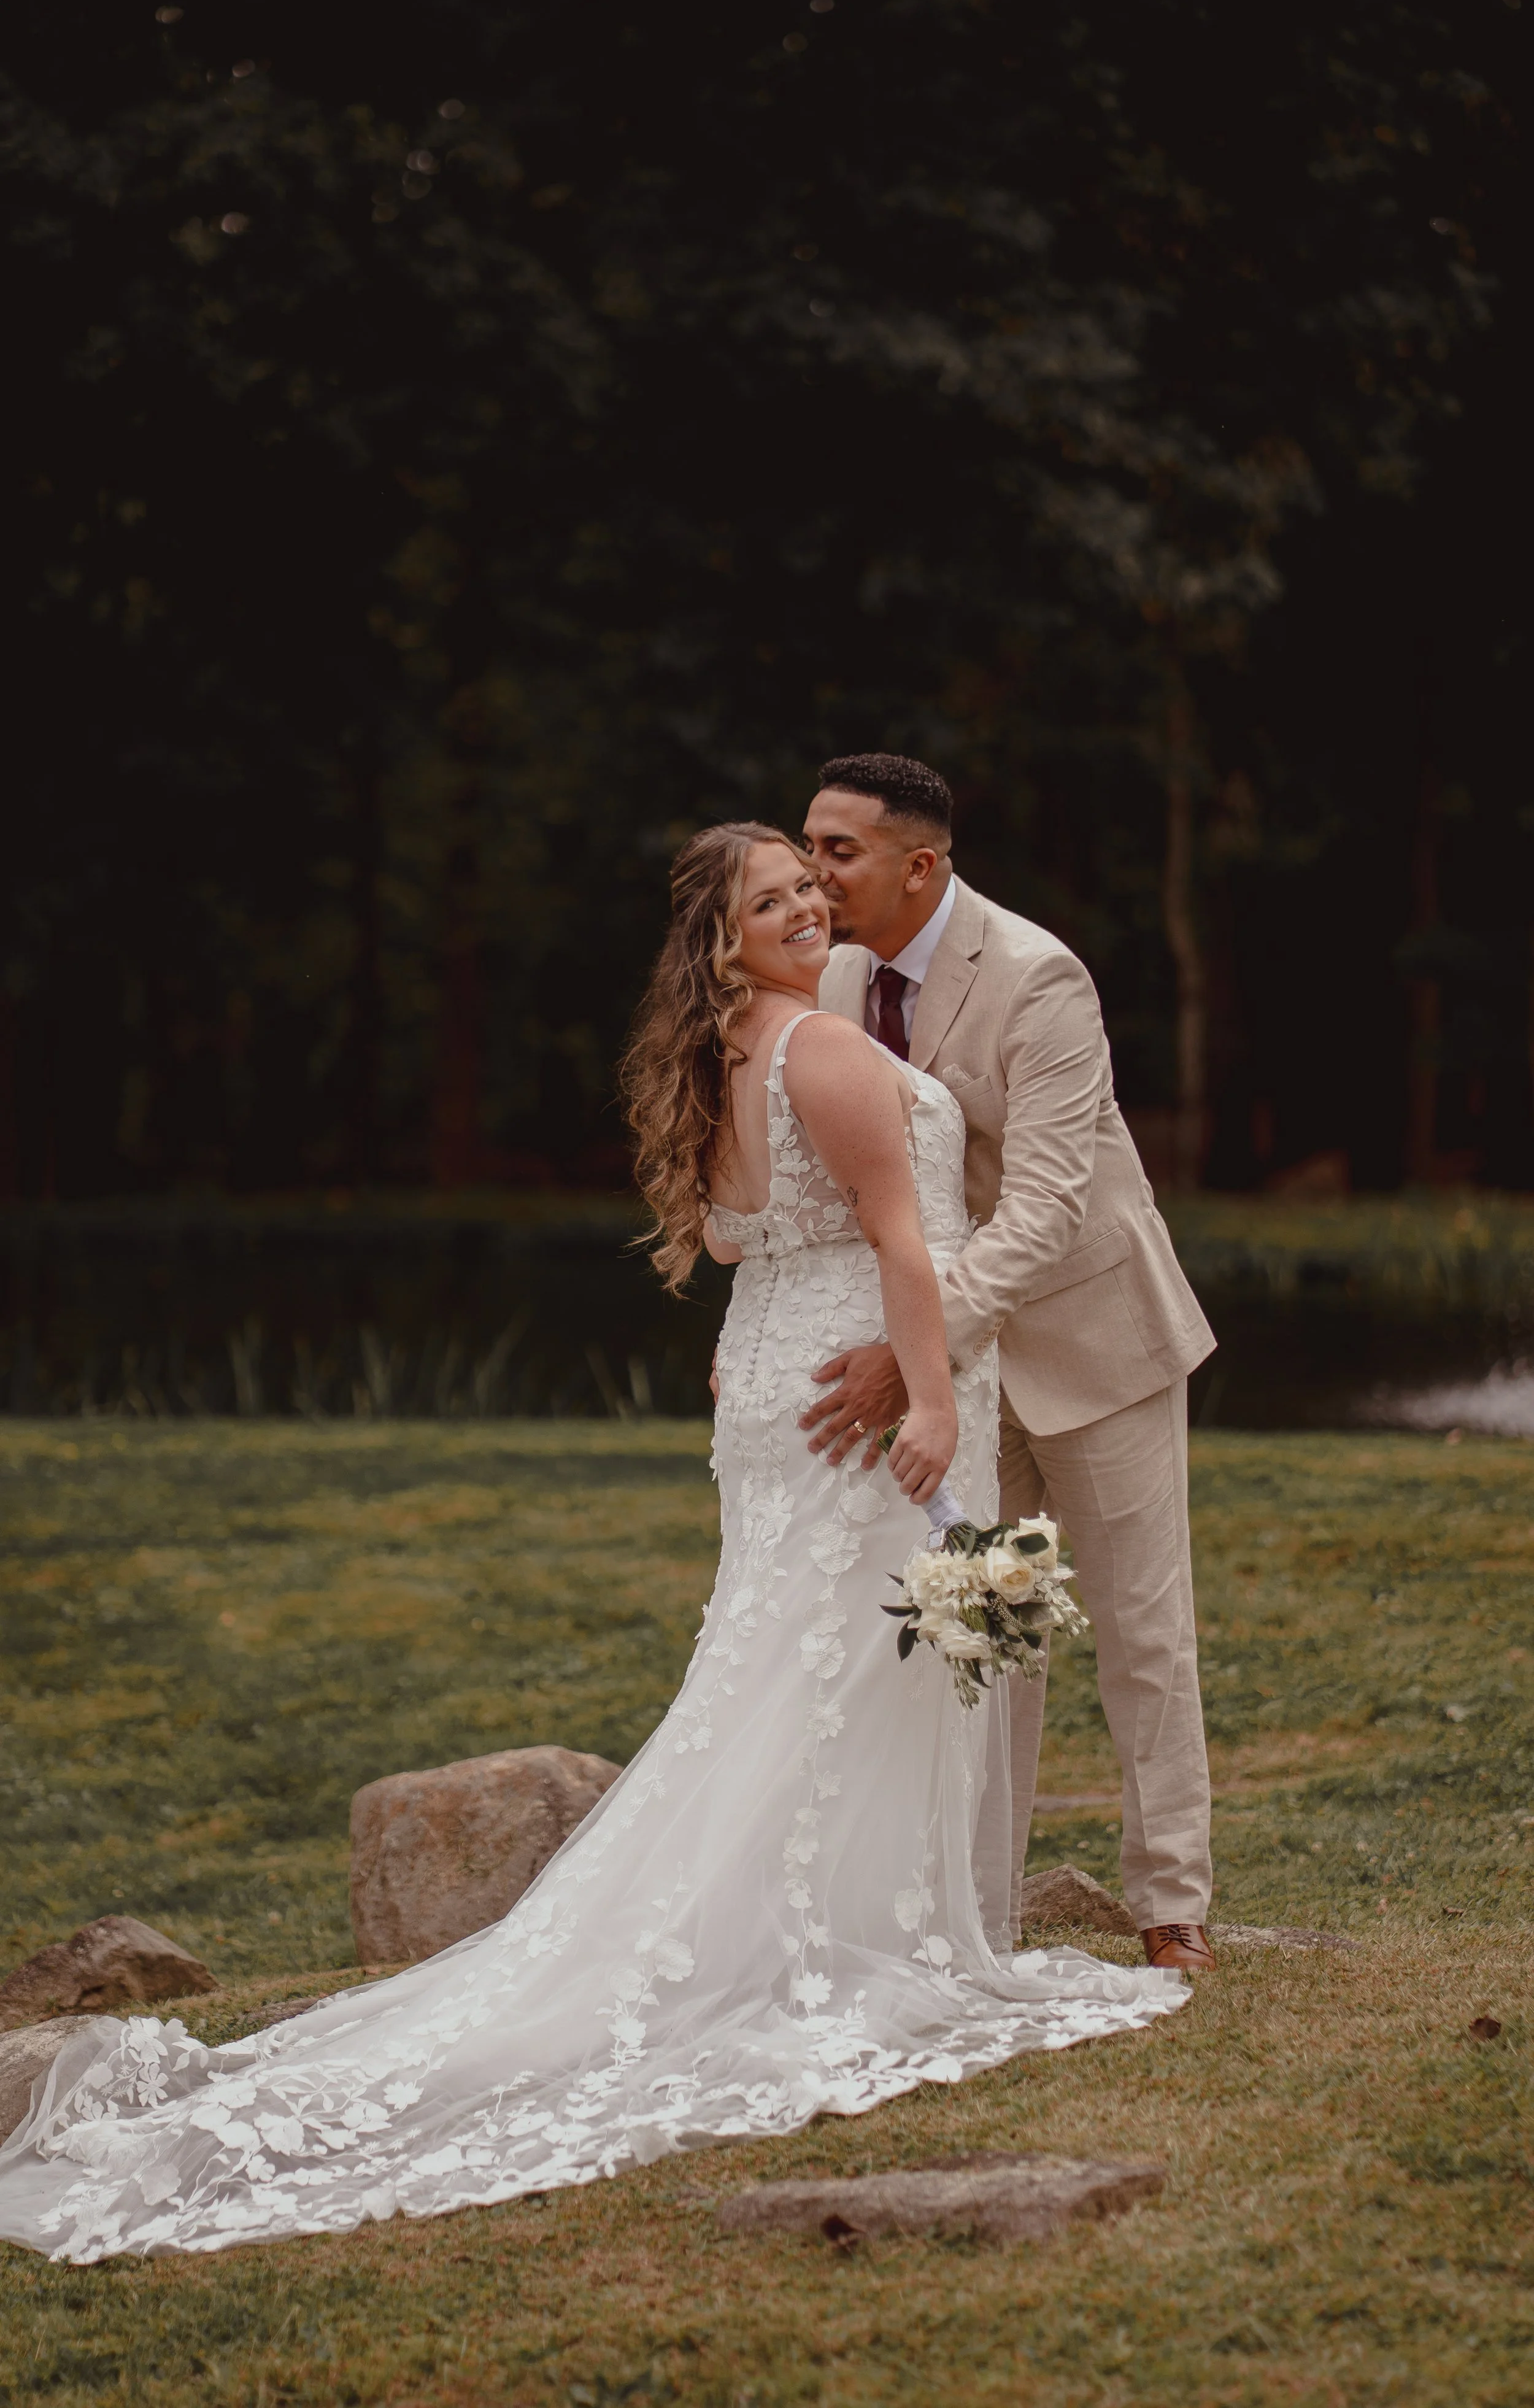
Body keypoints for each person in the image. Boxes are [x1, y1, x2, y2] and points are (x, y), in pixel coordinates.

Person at [0, 822, 1182, 2266]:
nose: (809, 901)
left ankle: (853, 1920)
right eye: (774, 895)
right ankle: (843, 1946)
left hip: (779, 1374)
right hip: (857, 1383)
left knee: (790, 1675)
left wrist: (801, 1344)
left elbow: (748, 1243)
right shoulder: (816, 1050)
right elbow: (897, 1237)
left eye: (813, 882)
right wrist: (930, 1395)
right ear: (722, 937)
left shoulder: (724, 1054)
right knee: (832, 1676)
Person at [800, 757, 1219, 1973]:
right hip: (959, 1380)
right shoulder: (827, 979)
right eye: (808, 845)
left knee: (1144, 1631)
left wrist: (909, 1352)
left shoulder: (1038, 978)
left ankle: (1169, 1901)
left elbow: (1041, 1206)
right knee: (985, 1630)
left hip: (1097, 1346)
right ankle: (983, 1907)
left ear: (918, 864)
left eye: (839, 851)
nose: (814, 873)